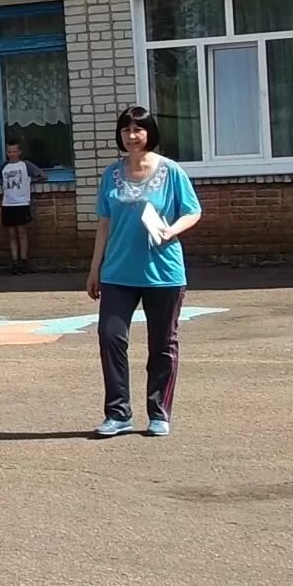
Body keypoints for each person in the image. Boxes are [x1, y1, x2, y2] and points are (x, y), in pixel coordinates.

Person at [87, 105, 202, 439]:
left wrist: (171, 230)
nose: (132, 136)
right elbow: (104, 223)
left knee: (162, 343)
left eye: (138, 130)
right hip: (117, 273)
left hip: (163, 272)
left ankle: (159, 413)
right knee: (110, 337)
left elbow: (192, 211)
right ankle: (118, 413)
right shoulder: (111, 174)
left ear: (149, 132)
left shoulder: (171, 171)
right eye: (126, 130)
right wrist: (95, 268)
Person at [0, 140, 47, 275]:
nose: (12, 154)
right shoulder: (3, 167)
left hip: (22, 203)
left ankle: (23, 261)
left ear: (19, 152)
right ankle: (14, 262)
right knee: (11, 235)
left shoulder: (25, 165)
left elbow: (42, 175)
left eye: (14, 151)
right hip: (7, 203)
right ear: (6, 153)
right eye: (9, 152)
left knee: (22, 233)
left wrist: (30, 181)